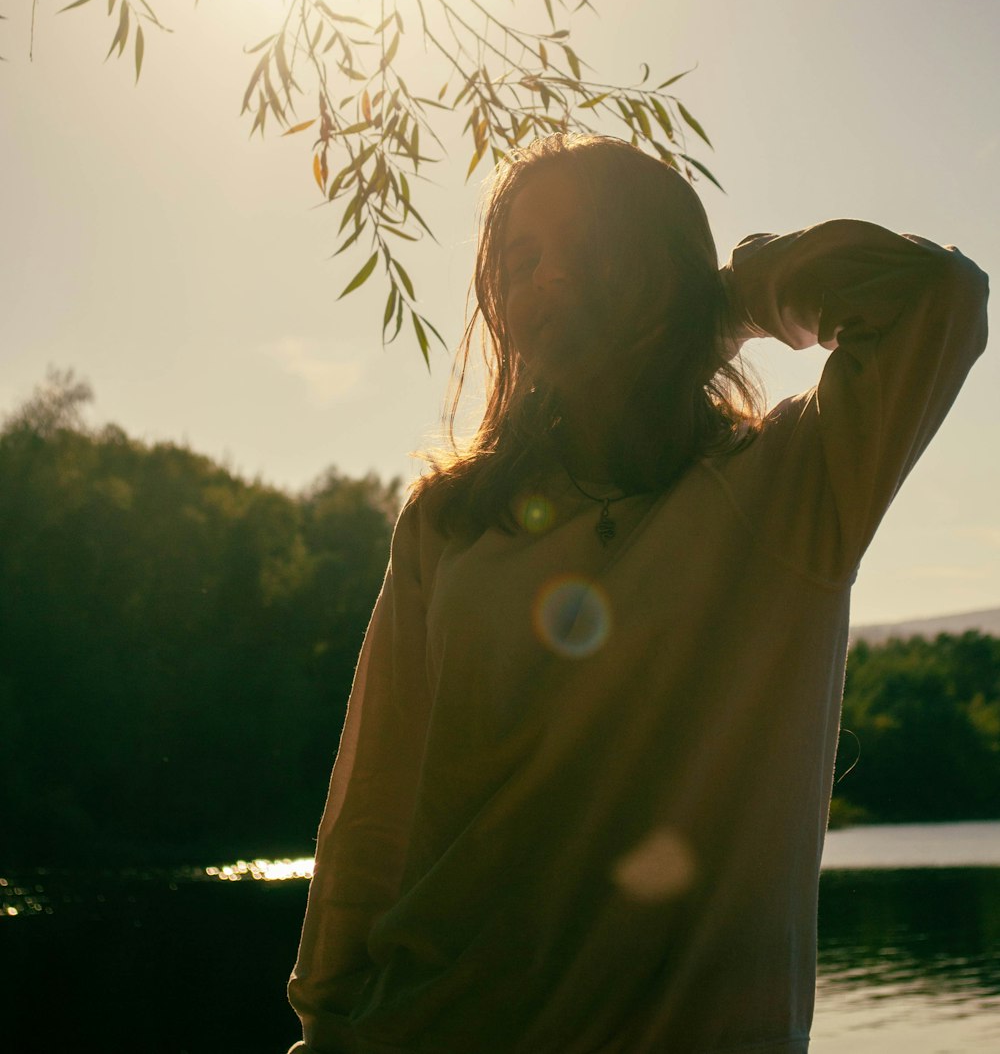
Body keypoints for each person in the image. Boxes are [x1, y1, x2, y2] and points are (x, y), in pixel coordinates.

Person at [286, 134, 989, 1054]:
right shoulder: (449, 521)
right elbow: (371, 812)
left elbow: (932, 298)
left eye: (588, 245)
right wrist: (323, 1026)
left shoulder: (794, 489)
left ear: (667, 268)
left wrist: (731, 296)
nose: (547, 277)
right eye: (521, 258)